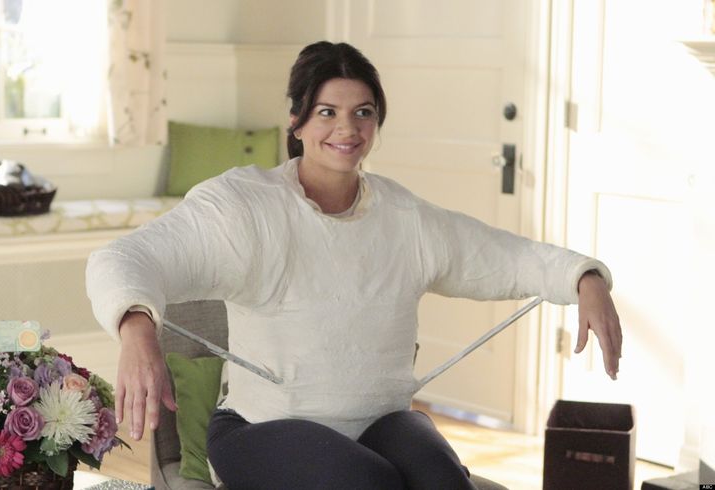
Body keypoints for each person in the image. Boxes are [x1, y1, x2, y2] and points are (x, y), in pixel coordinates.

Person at [86, 41, 622, 490]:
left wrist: (584, 277)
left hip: (382, 422)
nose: (347, 128)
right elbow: (123, 258)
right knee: (370, 485)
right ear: (296, 121)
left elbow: (501, 255)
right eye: (327, 112)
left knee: (444, 483)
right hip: (260, 429)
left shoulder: (405, 218)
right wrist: (137, 330)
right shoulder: (243, 207)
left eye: (362, 112)